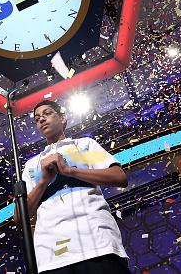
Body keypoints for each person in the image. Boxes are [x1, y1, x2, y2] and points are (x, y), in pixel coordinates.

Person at [14, 99, 131, 274]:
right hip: (52, 255)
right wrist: (44, 181)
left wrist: (70, 171)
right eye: (37, 119)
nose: (41, 120)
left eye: (47, 114)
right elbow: (19, 217)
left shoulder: (85, 145)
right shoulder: (31, 165)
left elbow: (119, 177)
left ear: (63, 118)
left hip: (97, 242)